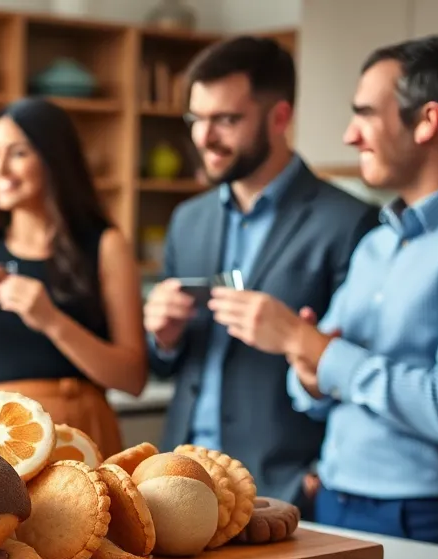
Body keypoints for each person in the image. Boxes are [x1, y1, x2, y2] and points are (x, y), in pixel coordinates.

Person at [225, 36, 438, 550]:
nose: (349, 134)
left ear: (427, 121)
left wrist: (310, 344)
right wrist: (313, 370)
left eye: (364, 114)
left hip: (427, 516)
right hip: (334, 500)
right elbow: (315, 391)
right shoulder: (377, 244)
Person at [143, 36, 377, 512]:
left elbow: (358, 366)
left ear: (280, 118)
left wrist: (311, 478)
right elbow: (165, 365)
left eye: (226, 120)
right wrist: (163, 338)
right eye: (196, 119)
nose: (204, 138)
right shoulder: (188, 219)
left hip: (281, 487)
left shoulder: (349, 221)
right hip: (179, 481)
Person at [0, 97, 147, 457]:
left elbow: (133, 378)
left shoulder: (105, 246)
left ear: (54, 160)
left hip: (79, 433)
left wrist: (51, 321)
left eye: (17, 153)